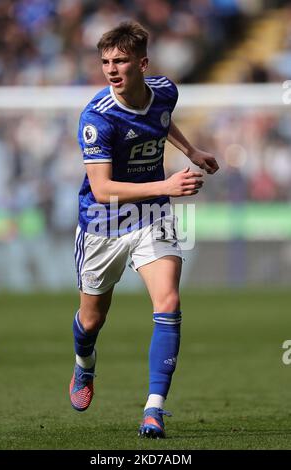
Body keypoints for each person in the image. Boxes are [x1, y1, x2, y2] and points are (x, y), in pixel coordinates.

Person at [69, 21, 219, 439]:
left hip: (152, 215)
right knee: (92, 319)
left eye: (119, 61)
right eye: (105, 62)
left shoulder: (166, 89)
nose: (111, 69)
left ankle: (153, 409)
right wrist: (169, 184)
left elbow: (162, 119)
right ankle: (84, 364)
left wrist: (192, 151)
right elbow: (101, 189)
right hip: (103, 225)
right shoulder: (97, 118)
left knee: (168, 300)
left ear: (142, 63)